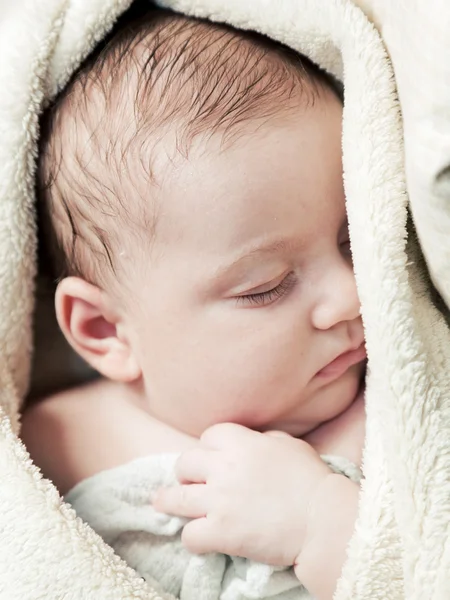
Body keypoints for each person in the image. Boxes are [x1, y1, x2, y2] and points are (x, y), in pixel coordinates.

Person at [21, 5, 367, 600]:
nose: (350, 297)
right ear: (107, 330)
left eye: (354, 243)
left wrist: (323, 524)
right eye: (266, 286)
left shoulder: (384, 422)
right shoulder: (50, 446)